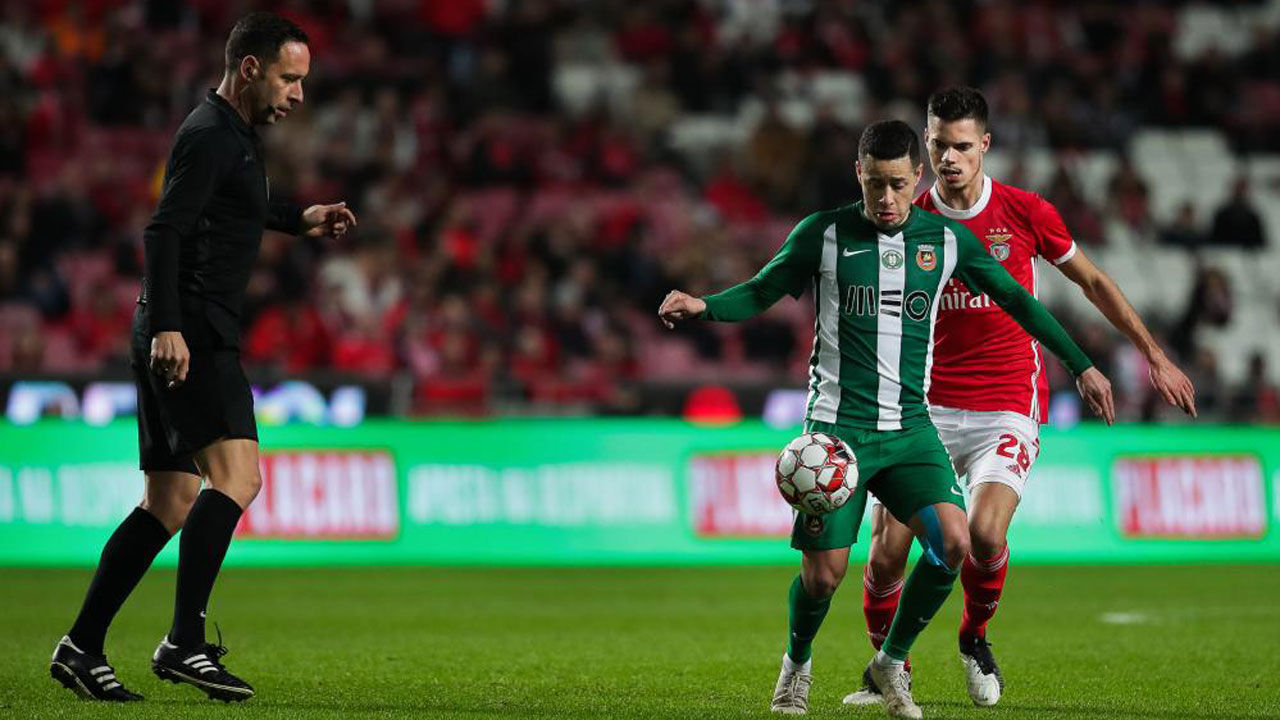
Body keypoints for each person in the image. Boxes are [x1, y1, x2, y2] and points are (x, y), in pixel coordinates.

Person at [659, 120, 1113, 719]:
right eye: (876, 184)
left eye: (899, 184)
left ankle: (891, 663)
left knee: (954, 542)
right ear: (859, 175)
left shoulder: (945, 241)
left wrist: (1082, 365)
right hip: (836, 435)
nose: (888, 198)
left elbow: (1017, 301)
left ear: (917, 177)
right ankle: (797, 664)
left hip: (909, 431)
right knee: (824, 579)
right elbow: (763, 290)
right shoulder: (822, 233)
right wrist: (705, 306)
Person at [845, 87, 1196, 710]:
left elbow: (1092, 281)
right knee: (885, 554)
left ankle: (974, 638)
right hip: (923, 408)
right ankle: (889, 671)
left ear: (984, 144)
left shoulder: (1025, 212)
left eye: (961, 145)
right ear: (925, 145)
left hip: (1007, 402)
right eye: (938, 144)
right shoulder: (906, 217)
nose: (948, 157)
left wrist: (1153, 354)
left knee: (983, 535)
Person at [49, 12, 356, 703]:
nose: (299, 94)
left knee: (170, 499)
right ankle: (183, 642)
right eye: (289, 78)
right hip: (191, 331)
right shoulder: (211, 134)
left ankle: (81, 646)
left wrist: (298, 218)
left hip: (177, 328)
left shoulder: (233, 134)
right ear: (250, 68)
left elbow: (237, 206)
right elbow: (164, 232)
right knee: (237, 478)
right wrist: (169, 326)